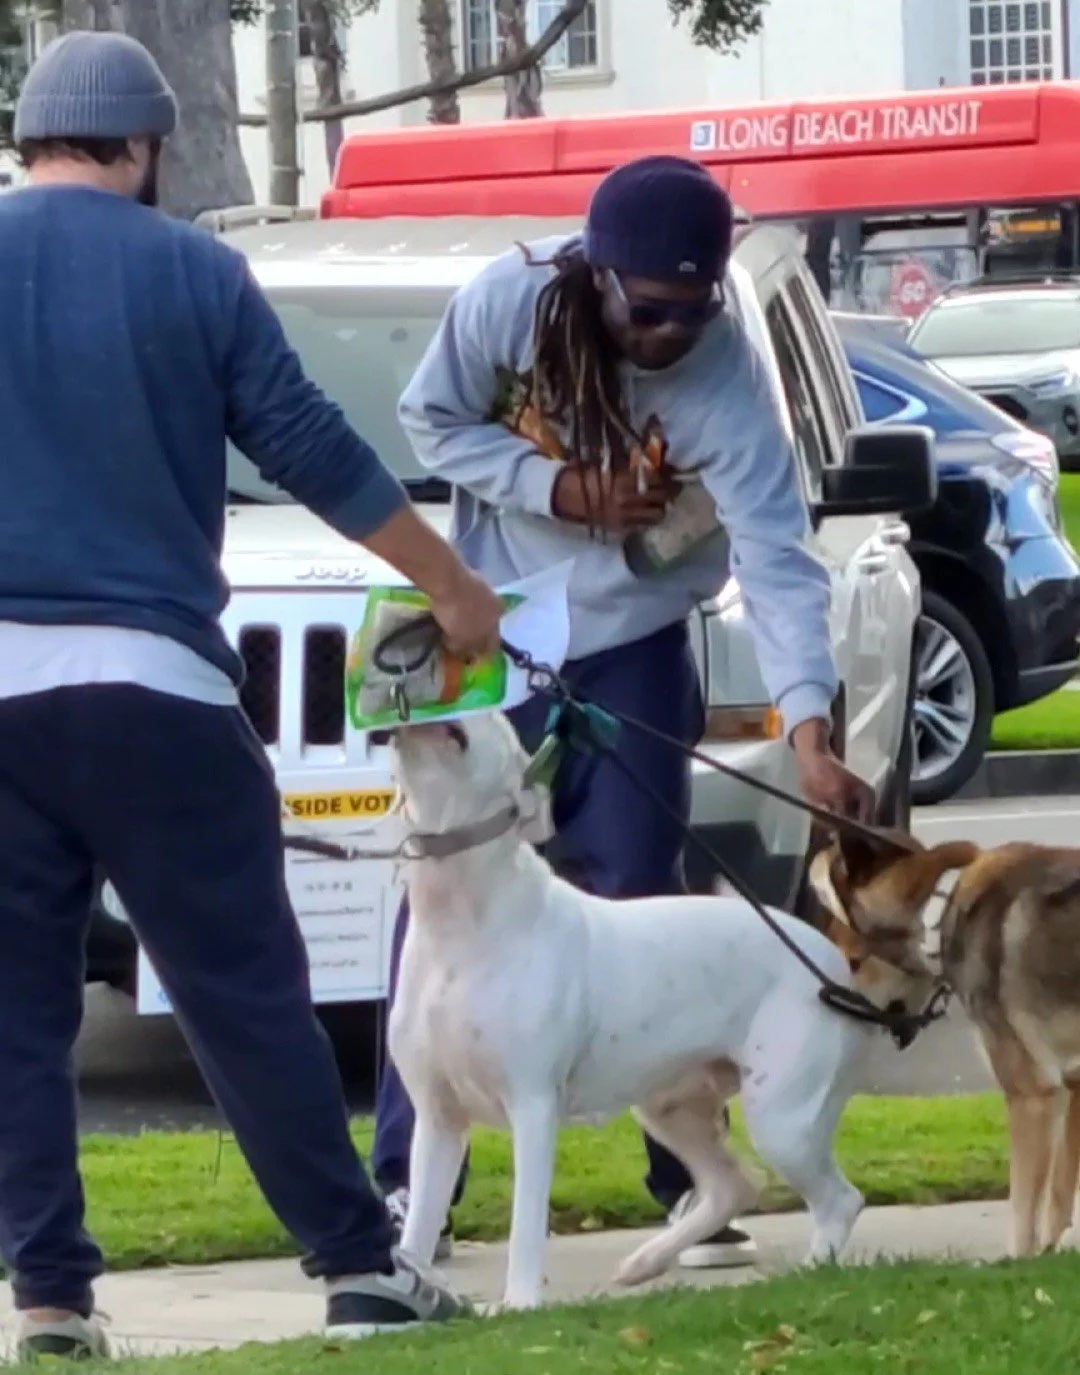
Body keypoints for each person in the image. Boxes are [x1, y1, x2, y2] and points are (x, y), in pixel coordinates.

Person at [0, 31, 503, 1360]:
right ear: (145, 147)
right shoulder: (194, 272)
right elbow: (312, 447)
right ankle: (355, 1263)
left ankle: (50, 1293)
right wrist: (452, 585)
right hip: (155, 689)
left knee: (18, 1008)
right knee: (244, 987)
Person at [371, 154, 874, 1268]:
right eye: (648, 311)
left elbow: (781, 560)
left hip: (636, 636)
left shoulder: (727, 379)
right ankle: (411, 1193)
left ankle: (685, 1181)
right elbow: (428, 419)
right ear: (596, 277)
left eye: (692, 313)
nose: (668, 335)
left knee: (637, 889)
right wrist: (558, 487)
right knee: (443, 890)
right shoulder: (507, 303)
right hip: (497, 629)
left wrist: (808, 729)